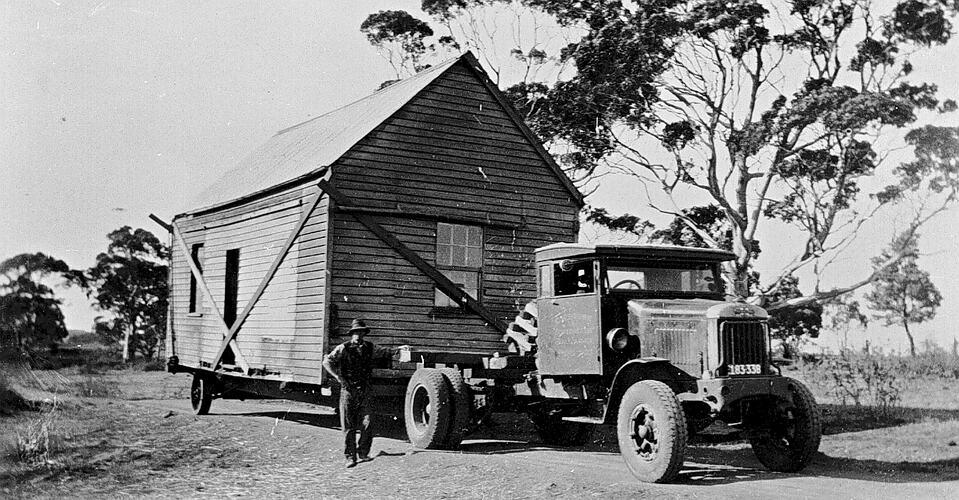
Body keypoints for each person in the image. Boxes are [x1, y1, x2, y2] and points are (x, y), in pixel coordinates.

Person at [322, 319, 401, 468]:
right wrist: (338, 377)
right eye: (356, 332)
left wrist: (399, 349)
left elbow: (385, 352)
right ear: (352, 334)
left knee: (368, 422)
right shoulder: (343, 348)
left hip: (365, 390)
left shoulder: (370, 347)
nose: (358, 335)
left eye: (361, 332)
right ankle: (350, 457)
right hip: (348, 391)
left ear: (364, 333)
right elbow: (327, 362)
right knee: (348, 425)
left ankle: (363, 452)